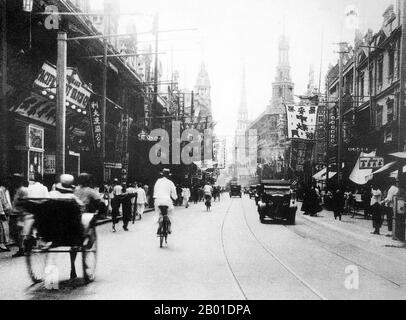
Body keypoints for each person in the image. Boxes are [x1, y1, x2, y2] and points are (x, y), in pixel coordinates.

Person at [153, 169, 177, 235]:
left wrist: (156, 197)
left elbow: (155, 190)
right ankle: (169, 228)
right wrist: (175, 198)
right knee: (170, 214)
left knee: (159, 213)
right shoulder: (170, 182)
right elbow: (174, 194)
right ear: (168, 175)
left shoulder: (158, 181)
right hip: (167, 201)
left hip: (158, 201)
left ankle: (159, 226)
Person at [10, 174, 28, 258]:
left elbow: (24, 202)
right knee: (15, 233)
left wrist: (21, 213)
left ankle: (22, 249)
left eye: (14, 180)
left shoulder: (23, 190)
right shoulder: (18, 190)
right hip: (15, 213)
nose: (13, 182)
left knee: (18, 232)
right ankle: (22, 248)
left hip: (20, 214)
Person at [0, 178, 11, 252]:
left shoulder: (6, 190)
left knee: (5, 228)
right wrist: (2, 212)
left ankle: (4, 243)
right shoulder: (1, 190)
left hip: (7, 211)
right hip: (2, 212)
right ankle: (1, 244)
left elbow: (8, 201)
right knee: (2, 229)